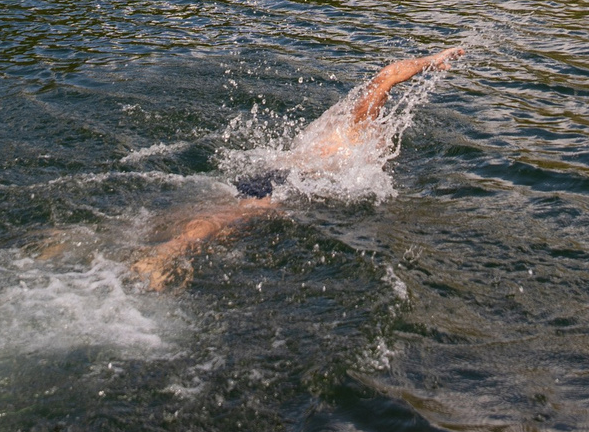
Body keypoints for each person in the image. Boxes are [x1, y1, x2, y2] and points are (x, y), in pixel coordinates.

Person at [130, 46, 465, 289]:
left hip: (267, 169)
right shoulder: (363, 127)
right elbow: (387, 78)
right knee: (237, 215)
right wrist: (435, 61)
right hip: (291, 180)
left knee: (221, 209)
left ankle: (135, 248)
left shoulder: (334, 120)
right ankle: (172, 251)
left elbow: (382, 76)